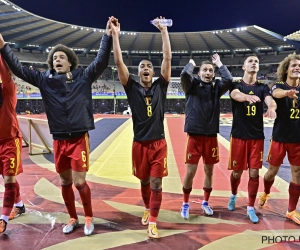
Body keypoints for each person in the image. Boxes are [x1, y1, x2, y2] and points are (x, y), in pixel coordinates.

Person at [0, 17, 114, 236]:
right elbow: (18, 68)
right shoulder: (44, 80)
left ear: (70, 62)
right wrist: (3, 46)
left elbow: (100, 61)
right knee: (64, 181)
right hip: (59, 139)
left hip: (78, 138)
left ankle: (89, 217)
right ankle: (73, 218)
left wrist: (107, 36)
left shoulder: (83, 77)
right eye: (54, 58)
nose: (57, 60)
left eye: (62, 57)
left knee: (80, 182)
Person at [111, 17, 171, 239]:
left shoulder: (160, 86)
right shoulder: (131, 88)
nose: (146, 68)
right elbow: (118, 63)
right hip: (139, 144)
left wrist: (163, 31)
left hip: (158, 143)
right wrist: (115, 36)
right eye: (142, 66)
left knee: (156, 182)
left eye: (149, 66)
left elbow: (167, 57)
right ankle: (148, 207)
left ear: (153, 73)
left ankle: (153, 222)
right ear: (138, 73)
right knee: (145, 181)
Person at [180, 54, 233, 219]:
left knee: (209, 172)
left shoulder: (216, 87)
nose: (208, 72)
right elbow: (184, 75)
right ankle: (185, 204)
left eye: (211, 70)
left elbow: (229, 80)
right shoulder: (191, 86)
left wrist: (219, 63)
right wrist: (190, 64)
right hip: (195, 136)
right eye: (205, 70)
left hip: (210, 136)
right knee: (190, 172)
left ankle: (205, 202)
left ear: (213, 73)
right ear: (199, 73)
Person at [227, 55, 276, 223]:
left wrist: (271, 107)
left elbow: (270, 100)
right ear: (243, 67)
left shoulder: (262, 88)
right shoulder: (236, 85)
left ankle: (250, 207)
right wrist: (246, 97)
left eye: (257, 61)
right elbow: (235, 95)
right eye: (251, 61)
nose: (254, 63)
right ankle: (233, 195)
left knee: (254, 172)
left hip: (256, 137)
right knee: (237, 172)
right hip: (239, 136)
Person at [259, 53, 300, 225]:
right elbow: (276, 93)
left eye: (299, 66)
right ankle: (266, 191)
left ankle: (291, 211)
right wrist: (288, 93)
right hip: (280, 138)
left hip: (298, 140)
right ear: (286, 69)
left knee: (297, 174)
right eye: (294, 65)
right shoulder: (278, 85)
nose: (297, 68)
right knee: (271, 173)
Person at [0, 55, 25, 234]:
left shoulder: (8, 90)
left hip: (10, 141)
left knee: (8, 180)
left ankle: (3, 219)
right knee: (8, 178)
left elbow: (5, 73)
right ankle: (20, 205)